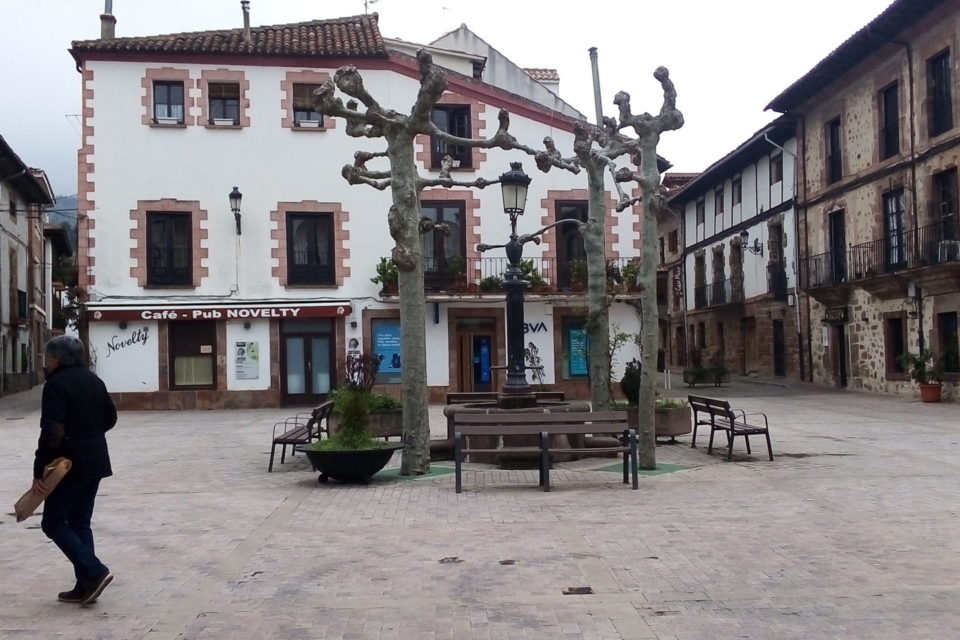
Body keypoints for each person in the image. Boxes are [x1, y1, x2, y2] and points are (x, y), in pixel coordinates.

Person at [31, 335, 117, 605]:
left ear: (57, 358)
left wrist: (39, 469)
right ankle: (86, 585)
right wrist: (90, 435)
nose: (46, 363)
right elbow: (110, 417)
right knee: (79, 521)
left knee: (53, 522)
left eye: (48, 358)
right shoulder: (94, 380)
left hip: (69, 464)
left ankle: (95, 571)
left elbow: (52, 431)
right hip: (96, 459)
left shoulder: (56, 384)